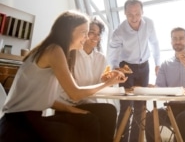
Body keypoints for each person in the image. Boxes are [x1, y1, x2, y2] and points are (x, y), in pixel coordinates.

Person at [0, 10, 127, 142]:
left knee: (97, 116)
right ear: (69, 30)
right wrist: (107, 83)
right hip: (18, 123)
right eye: (84, 32)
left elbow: (45, 99)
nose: (86, 37)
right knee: (86, 125)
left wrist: (72, 110)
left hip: (29, 118)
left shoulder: (56, 50)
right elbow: (75, 94)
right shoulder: (54, 50)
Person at [56, 18, 119, 140]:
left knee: (109, 111)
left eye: (98, 34)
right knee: (108, 111)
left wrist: (108, 81)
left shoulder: (101, 58)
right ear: (84, 33)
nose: (95, 36)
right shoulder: (70, 55)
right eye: (92, 32)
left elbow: (102, 85)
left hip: (89, 104)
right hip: (69, 105)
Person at [108, 0, 160, 142]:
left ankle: (135, 140)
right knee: (126, 107)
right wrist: (115, 69)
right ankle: (121, 140)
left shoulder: (149, 23)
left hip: (144, 66)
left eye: (137, 13)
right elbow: (112, 51)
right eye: (130, 14)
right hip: (127, 67)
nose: (134, 17)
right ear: (125, 13)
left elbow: (154, 43)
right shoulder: (119, 31)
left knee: (141, 107)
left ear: (142, 12)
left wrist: (158, 63)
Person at [145, 27, 185, 142]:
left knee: (183, 119)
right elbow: (160, 89)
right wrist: (152, 87)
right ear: (171, 41)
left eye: (181, 38)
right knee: (150, 117)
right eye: (174, 38)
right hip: (171, 108)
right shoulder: (165, 64)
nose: (178, 41)